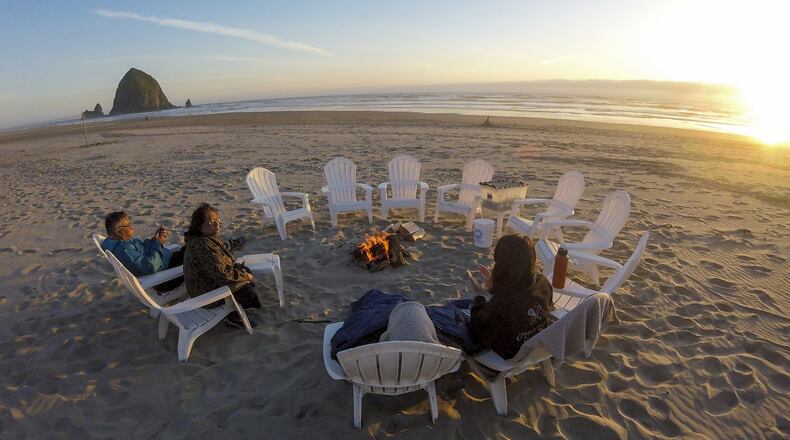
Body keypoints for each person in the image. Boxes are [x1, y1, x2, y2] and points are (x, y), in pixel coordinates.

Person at [467, 234, 553, 359]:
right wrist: (494, 288)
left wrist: (480, 296)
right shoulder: (543, 283)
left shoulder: (503, 302)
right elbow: (525, 298)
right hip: (536, 342)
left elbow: (477, 331)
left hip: (511, 351)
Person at [182, 203, 260, 328]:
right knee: (247, 289)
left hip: (207, 283)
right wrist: (246, 276)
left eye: (217, 220)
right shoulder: (202, 244)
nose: (217, 223)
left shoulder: (205, 238)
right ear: (199, 226)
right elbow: (222, 274)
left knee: (245, 272)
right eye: (210, 222)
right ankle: (233, 316)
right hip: (205, 293)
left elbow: (219, 264)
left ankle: (235, 307)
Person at [101, 211, 184, 292]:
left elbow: (143, 250)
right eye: (128, 225)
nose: (132, 227)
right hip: (165, 277)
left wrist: (155, 240)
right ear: (118, 232)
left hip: (166, 262)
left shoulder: (117, 241)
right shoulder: (125, 250)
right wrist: (158, 244)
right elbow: (151, 267)